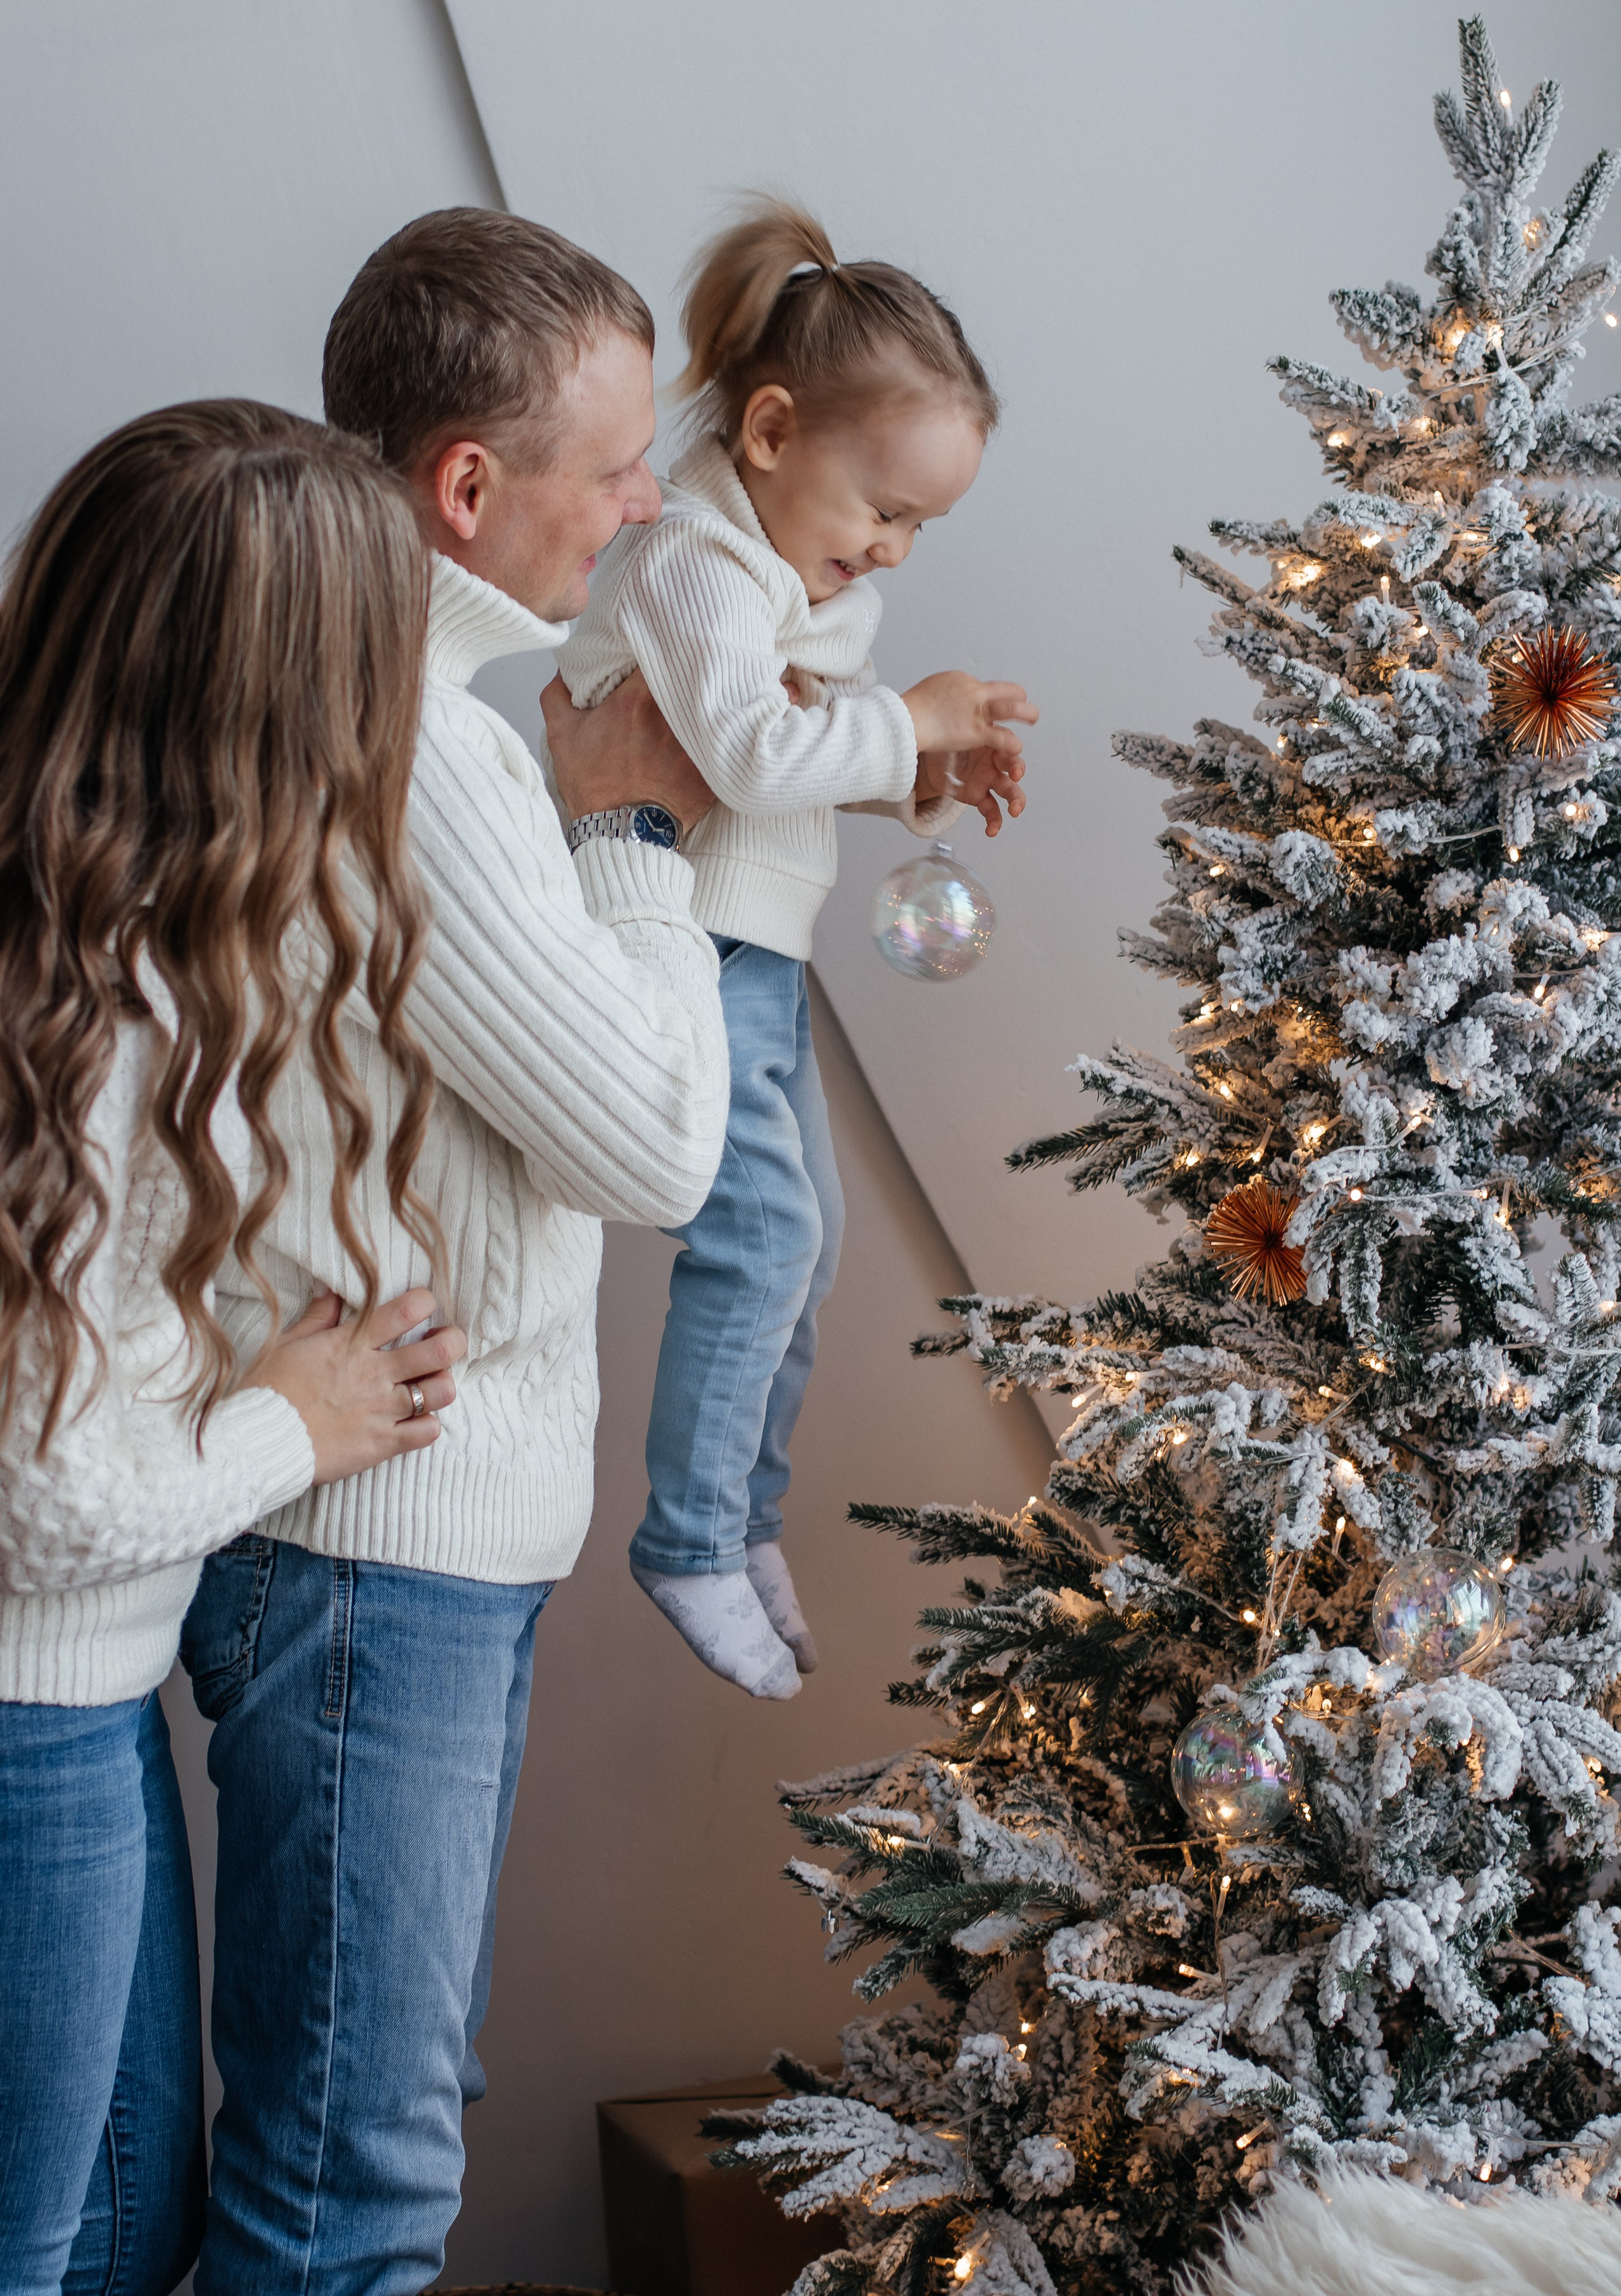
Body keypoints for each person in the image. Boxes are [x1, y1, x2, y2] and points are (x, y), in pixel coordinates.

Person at [181, 211, 730, 2293]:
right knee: (351, 2199)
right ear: (470, 490)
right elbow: (666, 1143)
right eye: (615, 458)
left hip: (375, 1549)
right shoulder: (424, 743)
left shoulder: (390, 700)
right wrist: (634, 841)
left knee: (336, 2156)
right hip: (373, 1557)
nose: (652, 498)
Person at [0, 401, 468, 2296]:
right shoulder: (76, 1004)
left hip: (71, 1701)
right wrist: (300, 1416)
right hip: (28, 1702)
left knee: (123, 2225)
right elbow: (38, 1494)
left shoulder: (100, 940)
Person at [555, 198, 1035, 1698]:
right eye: (879, 510)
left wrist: (916, 774)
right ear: (769, 431)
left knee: (805, 1237)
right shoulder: (695, 558)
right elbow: (754, 757)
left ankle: (741, 1516)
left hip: (747, 953)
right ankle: (688, 1535)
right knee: (754, 1242)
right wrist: (907, 720)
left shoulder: (784, 571)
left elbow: (792, 752)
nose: (887, 549)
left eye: (916, 529)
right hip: (677, 948)